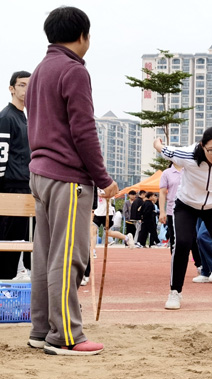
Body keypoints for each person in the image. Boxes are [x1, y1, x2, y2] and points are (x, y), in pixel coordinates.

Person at [26, 6, 118, 355]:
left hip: (40, 174)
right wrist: (103, 178)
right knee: (68, 257)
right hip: (67, 177)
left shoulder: (40, 70)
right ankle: (65, 335)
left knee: (45, 255)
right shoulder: (74, 70)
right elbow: (83, 130)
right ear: (83, 36)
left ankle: (41, 329)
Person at [154, 126, 212, 310]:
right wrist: (158, 144)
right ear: (202, 146)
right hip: (187, 205)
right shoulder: (187, 155)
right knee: (183, 243)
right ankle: (175, 292)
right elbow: (164, 150)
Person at [0, 70, 32, 281]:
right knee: (8, 241)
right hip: (9, 188)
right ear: (11, 88)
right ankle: (4, 281)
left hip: (25, 187)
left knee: (21, 240)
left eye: (30, 85)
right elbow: (1, 156)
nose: (26, 89)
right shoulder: (6, 117)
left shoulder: (24, 117)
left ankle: (14, 279)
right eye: (22, 85)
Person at [159, 162, 203, 274]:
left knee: (194, 238)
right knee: (175, 240)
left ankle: (200, 265)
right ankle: (177, 267)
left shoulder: (189, 170)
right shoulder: (167, 173)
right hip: (172, 210)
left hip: (190, 209)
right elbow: (162, 193)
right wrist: (162, 211)